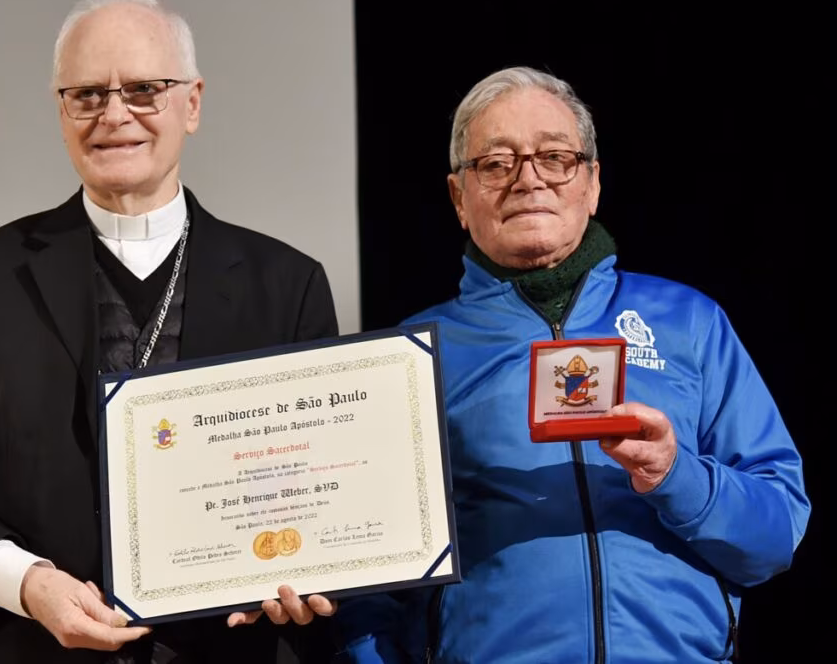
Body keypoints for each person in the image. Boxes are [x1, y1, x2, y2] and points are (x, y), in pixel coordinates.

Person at [0, 0, 337, 664]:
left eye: (144, 90)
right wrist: (26, 583)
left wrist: (308, 568)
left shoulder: (287, 284)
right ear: (60, 113)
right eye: (87, 94)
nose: (114, 115)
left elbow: (315, 489)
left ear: (192, 104)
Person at [332, 66, 811, 663]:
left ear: (592, 183)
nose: (528, 179)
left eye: (555, 157)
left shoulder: (690, 322)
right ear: (459, 197)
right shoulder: (410, 355)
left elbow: (774, 538)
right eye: (496, 163)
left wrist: (674, 474)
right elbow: (364, 580)